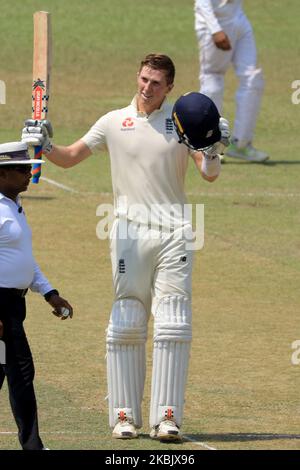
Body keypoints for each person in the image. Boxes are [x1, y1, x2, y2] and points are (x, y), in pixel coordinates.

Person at [21, 54, 229, 442]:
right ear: (138, 76)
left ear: (169, 88)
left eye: (156, 83)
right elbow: (69, 158)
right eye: (144, 79)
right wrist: (45, 145)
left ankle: (167, 418)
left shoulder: (181, 121)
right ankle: (123, 417)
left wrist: (214, 147)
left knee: (173, 322)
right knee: (128, 321)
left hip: (175, 232)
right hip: (128, 233)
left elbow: (209, 174)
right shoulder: (113, 121)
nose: (147, 87)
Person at [0, 142, 73, 450]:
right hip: (1, 306)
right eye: (21, 169)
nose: (29, 173)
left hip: (14, 304)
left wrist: (49, 293)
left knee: (10, 374)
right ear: (2, 174)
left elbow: (24, 260)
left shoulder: (14, 208)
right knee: (21, 373)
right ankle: (33, 446)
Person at [194, 0, 269, 162]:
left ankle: (241, 144)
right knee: (212, 80)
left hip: (238, 18)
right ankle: (209, 145)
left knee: (253, 79)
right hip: (214, 23)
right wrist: (215, 30)